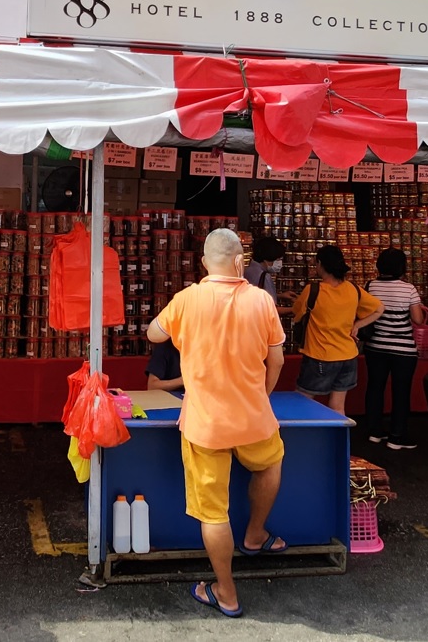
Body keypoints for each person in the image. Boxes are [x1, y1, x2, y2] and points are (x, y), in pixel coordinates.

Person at [145, 229, 286, 619]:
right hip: (254, 416)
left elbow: (153, 333)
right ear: (241, 261)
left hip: (205, 423)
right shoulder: (262, 301)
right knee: (271, 464)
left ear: (205, 263)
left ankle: (226, 592)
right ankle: (256, 533)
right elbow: (276, 362)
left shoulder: (187, 299)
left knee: (213, 512)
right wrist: (263, 396)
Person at [291, 246, 382, 422]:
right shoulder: (353, 289)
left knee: (301, 400)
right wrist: (357, 324)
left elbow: (297, 313)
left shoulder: (313, 290)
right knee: (338, 407)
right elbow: (379, 308)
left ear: (320, 264)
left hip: (319, 356)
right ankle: (339, 445)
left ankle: (298, 442)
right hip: (348, 356)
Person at [363, 248, 425, 451]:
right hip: (403, 349)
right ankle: (396, 437)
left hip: (376, 346)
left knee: (375, 387)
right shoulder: (409, 289)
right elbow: (417, 319)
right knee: (401, 391)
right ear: (402, 267)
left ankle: (374, 431)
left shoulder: (370, 286)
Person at [241, 235, 286, 303]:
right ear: (269, 258)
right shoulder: (264, 276)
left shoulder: (246, 271)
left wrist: (280, 296)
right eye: (278, 259)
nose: (280, 263)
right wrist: (295, 309)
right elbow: (272, 307)